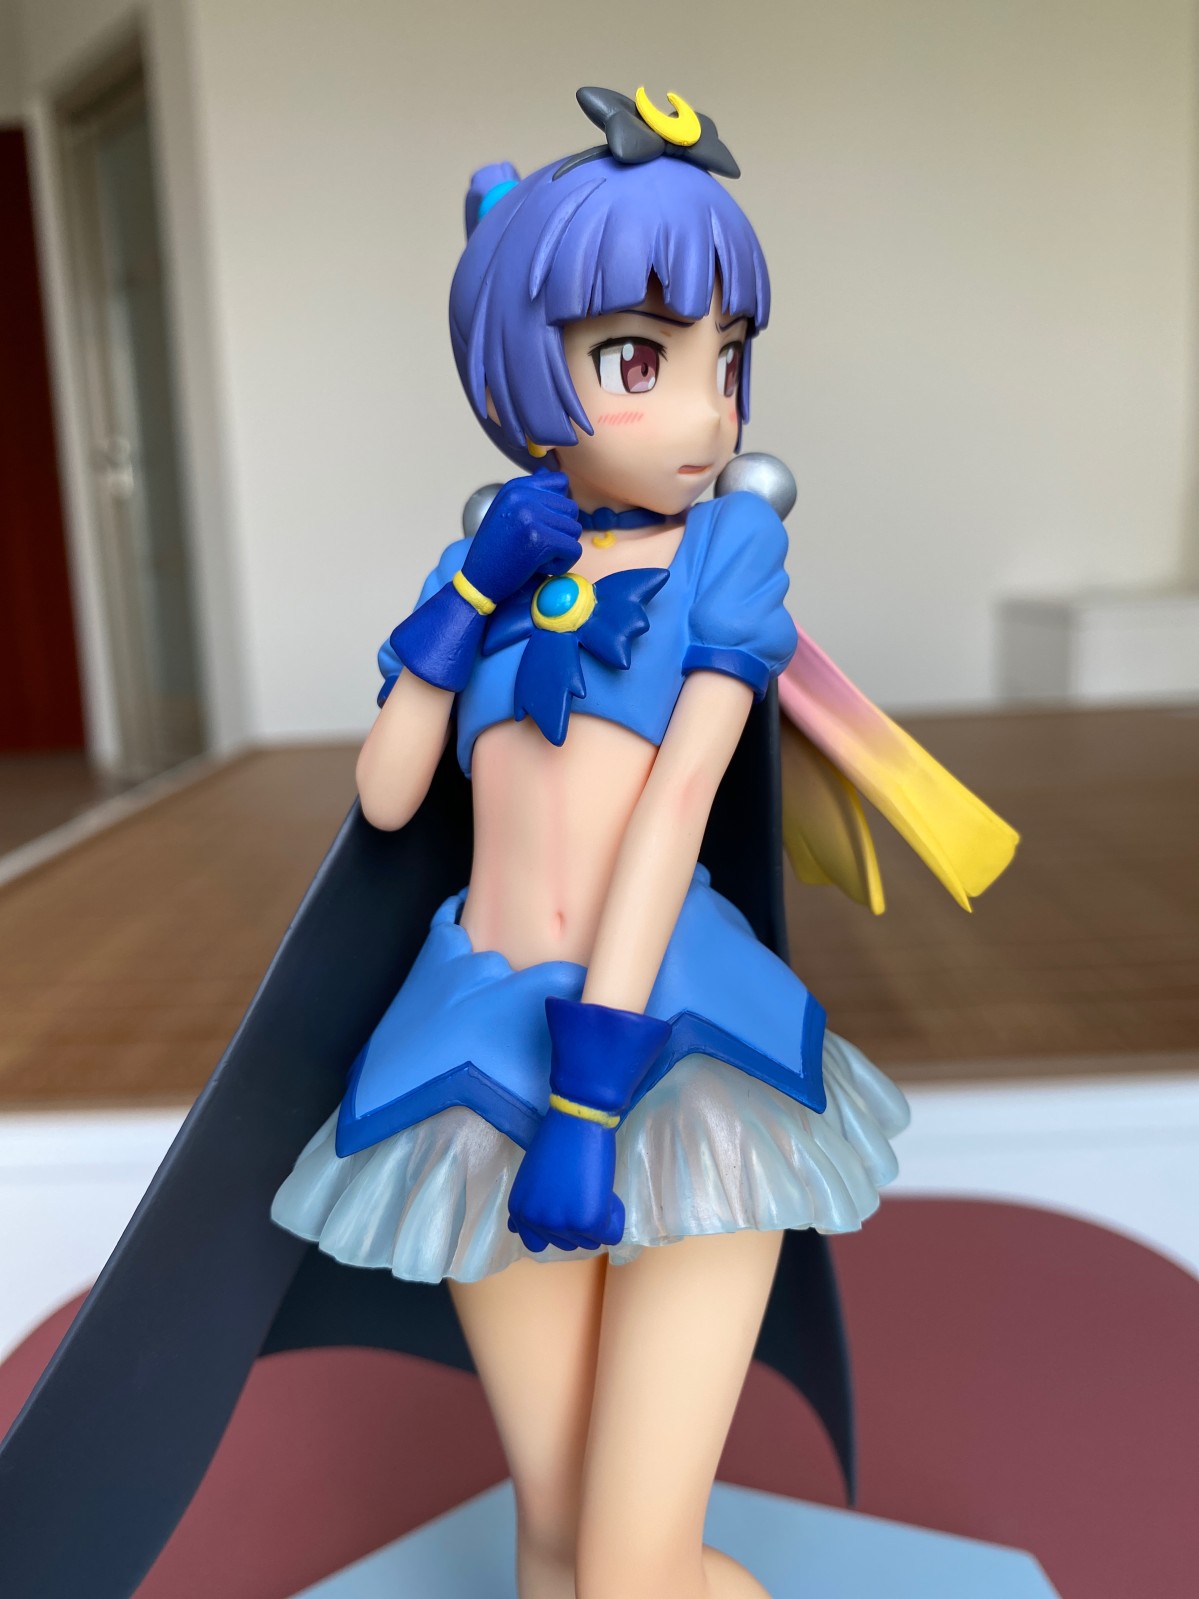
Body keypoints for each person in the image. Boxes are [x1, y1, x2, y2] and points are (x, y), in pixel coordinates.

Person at [268, 86, 1015, 1599]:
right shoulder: (492, 559)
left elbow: (675, 820)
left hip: (669, 1055)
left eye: (726, 360)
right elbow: (394, 796)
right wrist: (464, 596)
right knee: (554, 1549)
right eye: (640, 360)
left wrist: (591, 1102)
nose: (705, 414)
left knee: (627, 1569)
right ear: (517, 366)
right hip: (476, 1051)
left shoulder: (725, 558)